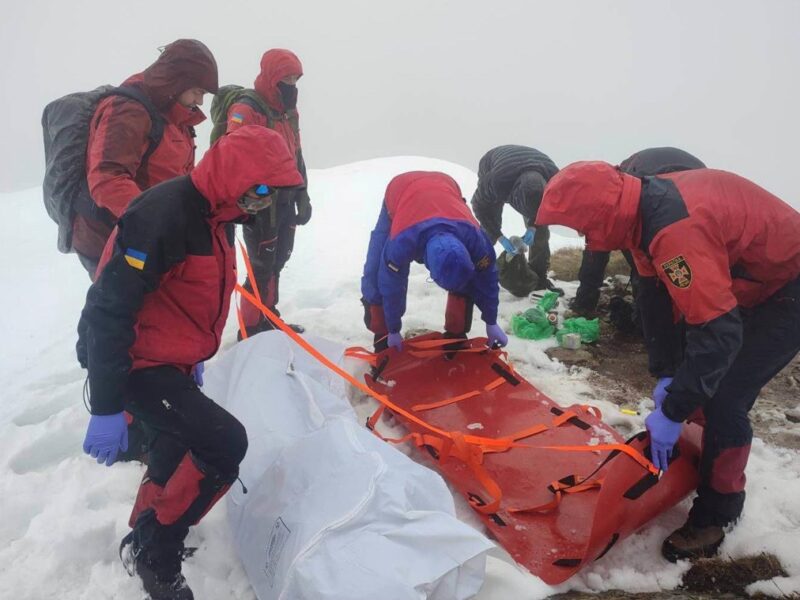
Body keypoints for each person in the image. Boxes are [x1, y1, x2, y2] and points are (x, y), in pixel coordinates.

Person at [77, 126, 303, 599]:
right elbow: (108, 310)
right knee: (224, 444)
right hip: (134, 362)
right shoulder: (164, 216)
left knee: (177, 444)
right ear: (235, 176)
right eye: (259, 189)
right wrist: (106, 404)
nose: (263, 202)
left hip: (167, 358)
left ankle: (145, 524)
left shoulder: (215, 216)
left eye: (272, 194)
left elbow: (183, 296)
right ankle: (156, 552)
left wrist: (189, 356)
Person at [536, 160, 800, 562]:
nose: (584, 237)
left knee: (726, 395)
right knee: (697, 377)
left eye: (584, 227)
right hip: (752, 283)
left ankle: (719, 511)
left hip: (788, 287)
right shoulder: (642, 214)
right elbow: (656, 298)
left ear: (603, 214)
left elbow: (718, 334)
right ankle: (694, 455)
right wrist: (666, 372)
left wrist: (674, 409)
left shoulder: (674, 230)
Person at [72, 39, 219, 278]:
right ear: (178, 80)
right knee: (128, 311)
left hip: (147, 233)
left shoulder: (174, 116)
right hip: (113, 235)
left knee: (158, 305)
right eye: (198, 91)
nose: (200, 101)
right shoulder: (129, 110)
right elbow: (107, 179)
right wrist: (157, 221)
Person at [217, 49, 311, 336]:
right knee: (261, 267)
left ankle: (269, 317)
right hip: (260, 202)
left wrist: (303, 193)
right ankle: (250, 327)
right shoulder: (248, 110)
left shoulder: (288, 112)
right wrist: (251, 197)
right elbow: (233, 157)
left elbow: (296, 153)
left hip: (286, 197)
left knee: (279, 259)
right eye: (286, 78)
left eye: (296, 79)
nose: (292, 85)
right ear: (272, 78)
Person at [361, 171, 507, 352]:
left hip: (445, 186)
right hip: (401, 189)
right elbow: (391, 284)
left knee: (463, 278)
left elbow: (487, 277)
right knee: (375, 269)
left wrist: (491, 321)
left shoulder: (475, 239)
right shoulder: (402, 241)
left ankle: (456, 334)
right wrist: (392, 329)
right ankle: (381, 337)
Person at [570, 147, 706, 317]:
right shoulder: (620, 182)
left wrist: (584, 301)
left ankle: (652, 318)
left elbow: (597, 250)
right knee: (692, 266)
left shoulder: (620, 195)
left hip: (676, 194)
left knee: (643, 264)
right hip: (699, 189)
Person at [471, 145, 563, 294]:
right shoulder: (496, 182)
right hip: (494, 164)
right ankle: (478, 272)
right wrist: (498, 236)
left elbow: (544, 212)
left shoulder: (555, 182)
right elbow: (480, 206)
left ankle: (539, 278)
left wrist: (533, 227)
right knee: (488, 230)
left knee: (541, 233)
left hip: (535, 166)